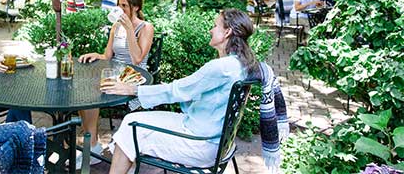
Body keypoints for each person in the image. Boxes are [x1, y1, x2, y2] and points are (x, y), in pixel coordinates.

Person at [101, 9, 285, 173]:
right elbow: (185, 89)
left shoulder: (221, 67)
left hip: (200, 144)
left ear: (227, 32)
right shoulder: (243, 63)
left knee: (130, 126)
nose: (211, 30)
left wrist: (133, 89)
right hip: (218, 141)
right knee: (130, 122)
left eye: (215, 26)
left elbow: (178, 91)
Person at [77, 0, 154, 162]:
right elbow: (107, 56)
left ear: (136, 7)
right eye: (118, 5)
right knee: (82, 89)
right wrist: (95, 55)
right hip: (114, 73)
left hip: (133, 76)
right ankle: (92, 142)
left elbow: (137, 58)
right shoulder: (115, 26)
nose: (120, 9)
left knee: (91, 93)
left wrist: (129, 29)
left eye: (124, 6)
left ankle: (92, 147)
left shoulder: (146, 27)